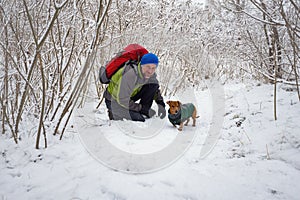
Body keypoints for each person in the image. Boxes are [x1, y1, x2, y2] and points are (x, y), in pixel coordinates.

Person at [103, 53, 166, 122]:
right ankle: (113, 112)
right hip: (114, 101)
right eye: (148, 67)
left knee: (153, 84)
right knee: (139, 118)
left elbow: (154, 90)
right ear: (142, 65)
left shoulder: (150, 74)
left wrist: (161, 104)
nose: (150, 71)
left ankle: (144, 110)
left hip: (128, 96)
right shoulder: (130, 74)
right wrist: (140, 108)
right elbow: (122, 100)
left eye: (153, 68)